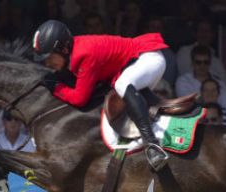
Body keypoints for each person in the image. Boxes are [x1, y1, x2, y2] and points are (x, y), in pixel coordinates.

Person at [32, 19, 170, 171]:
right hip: (135, 64)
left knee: (122, 85)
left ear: (64, 49)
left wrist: (56, 87)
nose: (47, 64)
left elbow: (79, 99)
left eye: (49, 57)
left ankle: (152, 145)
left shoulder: (84, 54)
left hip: (148, 59)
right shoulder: (73, 54)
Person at [175, 45, 226, 117]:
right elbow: (188, 106)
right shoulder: (183, 81)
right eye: (198, 62)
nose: (202, 66)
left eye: (206, 62)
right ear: (192, 63)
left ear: (210, 63)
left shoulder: (221, 84)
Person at [175, 19, 226, 84]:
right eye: (201, 30)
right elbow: (190, 77)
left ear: (212, 35)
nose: (204, 33)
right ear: (195, 33)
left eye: (208, 31)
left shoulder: (216, 61)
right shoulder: (184, 52)